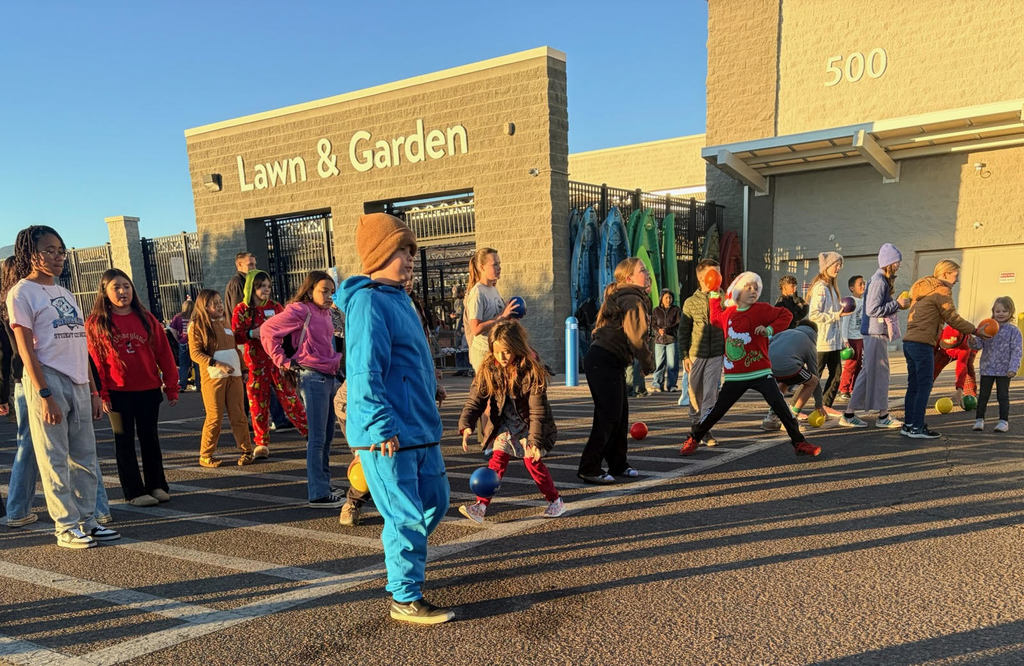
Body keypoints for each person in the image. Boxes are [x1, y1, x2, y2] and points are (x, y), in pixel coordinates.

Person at [338, 212, 452, 625]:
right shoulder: (367, 301)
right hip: (388, 435)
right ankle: (405, 597)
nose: (408, 258)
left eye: (410, 250)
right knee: (404, 517)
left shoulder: (401, 298)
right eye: (401, 250)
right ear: (379, 253)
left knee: (435, 502)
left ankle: (405, 559)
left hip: (421, 428)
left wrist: (431, 385)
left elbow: (408, 359)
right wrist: (380, 423)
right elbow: (365, 369)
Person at [6, 225, 120, 548]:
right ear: (31, 254)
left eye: (61, 251)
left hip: (79, 382)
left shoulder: (66, 293)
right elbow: (26, 349)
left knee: (85, 455)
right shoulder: (21, 293)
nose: (58, 257)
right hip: (48, 379)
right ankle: (65, 526)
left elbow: (80, 342)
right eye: (49, 251)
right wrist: (44, 394)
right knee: (53, 456)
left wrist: (94, 390)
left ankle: (88, 520)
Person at [679, 271, 820, 458]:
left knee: (781, 407)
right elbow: (715, 320)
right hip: (735, 375)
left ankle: (799, 443)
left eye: (756, 287)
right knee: (717, 411)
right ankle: (694, 438)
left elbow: (785, 315)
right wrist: (713, 295)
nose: (753, 291)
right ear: (737, 291)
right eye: (748, 287)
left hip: (761, 371)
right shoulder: (729, 313)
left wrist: (769, 329)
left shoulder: (762, 309)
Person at [86, 269, 179, 507]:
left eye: (126, 286)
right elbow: (95, 362)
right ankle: (133, 491)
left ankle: (156, 485)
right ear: (105, 292)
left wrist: (171, 385)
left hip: (148, 390)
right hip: (117, 394)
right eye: (116, 287)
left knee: (150, 438)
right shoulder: (96, 323)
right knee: (124, 441)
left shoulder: (146, 319)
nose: (122, 291)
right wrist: (101, 393)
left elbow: (164, 353)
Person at [458, 320, 564, 522]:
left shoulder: (531, 372)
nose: (502, 357)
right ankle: (480, 506)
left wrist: (535, 441)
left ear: (516, 347)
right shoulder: (489, 369)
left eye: (507, 351)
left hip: (528, 425)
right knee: (496, 461)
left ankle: (555, 500)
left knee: (533, 464)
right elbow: (475, 400)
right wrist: (466, 425)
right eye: (497, 351)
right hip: (505, 425)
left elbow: (537, 411)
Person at [261, 270, 344, 508]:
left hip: (328, 376)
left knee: (327, 436)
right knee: (317, 437)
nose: (329, 296)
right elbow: (268, 331)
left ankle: (323, 484)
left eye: (331, 291)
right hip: (312, 376)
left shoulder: (326, 312)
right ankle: (317, 492)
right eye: (324, 291)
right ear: (309, 291)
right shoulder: (301, 310)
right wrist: (283, 361)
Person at [577, 257, 654, 484]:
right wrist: (648, 363)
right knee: (608, 415)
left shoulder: (628, 296)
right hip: (604, 360)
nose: (647, 273)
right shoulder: (632, 300)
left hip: (610, 361)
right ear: (629, 278)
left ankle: (618, 464)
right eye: (642, 270)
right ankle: (589, 468)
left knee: (620, 416)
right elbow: (637, 338)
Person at [902, 259, 987, 439]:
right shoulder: (942, 290)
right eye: (955, 276)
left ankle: (908, 424)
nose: (957, 280)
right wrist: (975, 330)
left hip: (909, 341)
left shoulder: (920, 286)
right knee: (924, 386)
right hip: (923, 343)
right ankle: (917, 428)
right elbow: (952, 318)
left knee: (914, 386)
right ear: (945, 274)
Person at [231, 269, 308, 459]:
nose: (266, 290)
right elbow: (236, 335)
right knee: (258, 402)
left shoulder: (276, 307)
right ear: (252, 287)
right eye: (261, 286)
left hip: (277, 360)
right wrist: (251, 333)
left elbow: (289, 328)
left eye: (268, 286)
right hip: (255, 363)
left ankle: (310, 434)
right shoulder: (241, 310)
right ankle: (261, 443)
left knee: (290, 398)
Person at [839, 243, 910, 429]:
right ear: (889, 262)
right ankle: (882, 416)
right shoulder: (879, 280)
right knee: (880, 374)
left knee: (868, 373)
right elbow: (872, 309)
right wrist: (897, 304)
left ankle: (849, 413)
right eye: (897, 262)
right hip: (875, 333)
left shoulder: (878, 279)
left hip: (873, 333)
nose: (899, 265)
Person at [188, 289, 254, 467]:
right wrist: (216, 363)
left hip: (235, 375)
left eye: (219, 302)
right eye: (214, 303)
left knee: (239, 414)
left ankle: (247, 450)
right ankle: (206, 454)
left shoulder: (225, 323)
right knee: (214, 417)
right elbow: (195, 353)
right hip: (214, 377)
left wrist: (244, 368)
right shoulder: (197, 326)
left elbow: (234, 349)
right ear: (204, 306)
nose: (219, 306)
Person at [1, 256, 39, 527]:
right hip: (29, 377)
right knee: (32, 443)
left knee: (28, 443)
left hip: (18, 380)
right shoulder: (21, 302)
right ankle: (16, 508)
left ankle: (17, 508)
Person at [678, 259, 725, 447]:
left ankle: (705, 430)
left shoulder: (725, 298)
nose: (718, 277)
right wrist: (684, 355)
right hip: (696, 354)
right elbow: (684, 331)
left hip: (716, 354)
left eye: (719, 273)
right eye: (714, 273)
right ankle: (695, 424)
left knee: (710, 392)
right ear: (702, 277)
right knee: (694, 392)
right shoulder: (690, 302)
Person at [808, 252, 852, 414]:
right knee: (813, 377)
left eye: (840, 264)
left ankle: (825, 405)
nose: (839, 268)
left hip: (833, 341)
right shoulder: (821, 288)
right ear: (826, 266)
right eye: (836, 264)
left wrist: (841, 338)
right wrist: (836, 315)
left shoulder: (831, 288)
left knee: (836, 374)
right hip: (822, 341)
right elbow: (814, 315)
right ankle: (794, 407)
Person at [971, 297, 1022, 433]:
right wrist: (971, 340)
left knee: (1003, 395)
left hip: (1005, 370)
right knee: (983, 395)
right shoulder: (987, 327)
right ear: (993, 311)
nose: (1000, 313)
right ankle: (979, 420)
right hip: (987, 368)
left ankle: (1003, 421)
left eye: (1004, 311)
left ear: (1011, 312)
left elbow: (1016, 351)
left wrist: (1013, 368)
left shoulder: (1014, 331)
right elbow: (978, 344)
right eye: (997, 310)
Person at [464, 247, 518, 373]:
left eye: (499, 264)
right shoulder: (477, 292)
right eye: (495, 265)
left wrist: (510, 314)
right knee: (487, 391)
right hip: (484, 353)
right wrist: (502, 317)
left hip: (496, 350)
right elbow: (475, 329)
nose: (499, 268)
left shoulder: (493, 289)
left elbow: (498, 317)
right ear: (482, 267)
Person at [762, 319, 823, 430]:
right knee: (812, 381)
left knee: (784, 381)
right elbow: (815, 374)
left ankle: (771, 418)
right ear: (815, 333)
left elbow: (767, 345)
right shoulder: (809, 343)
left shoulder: (784, 333)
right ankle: (791, 420)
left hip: (767, 366)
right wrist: (819, 405)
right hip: (789, 366)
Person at [933, 324, 978, 407]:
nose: (949, 348)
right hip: (944, 353)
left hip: (967, 350)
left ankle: (971, 395)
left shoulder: (966, 345)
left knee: (968, 368)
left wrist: (959, 389)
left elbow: (961, 366)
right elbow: (933, 353)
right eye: (947, 345)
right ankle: (922, 390)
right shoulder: (939, 335)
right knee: (934, 367)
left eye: (951, 347)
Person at [837, 274, 865, 400]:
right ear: (852, 287)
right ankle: (844, 389)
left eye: (864, 283)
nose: (863, 286)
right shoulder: (849, 301)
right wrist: (845, 340)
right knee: (850, 364)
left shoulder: (864, 301)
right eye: (860, 284)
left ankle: (854, 388)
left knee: (859, 365)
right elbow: (845, 322)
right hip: (852, 338)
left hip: (861, 337)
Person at [652, 289, 681, 392]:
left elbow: (678, 323)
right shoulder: (656, 310)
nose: (668, 300)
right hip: (659, 341)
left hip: (671, 339)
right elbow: (653, 324)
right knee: (659, 364)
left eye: (670, 298)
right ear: (661, 299)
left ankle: (672, 385)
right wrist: (658, 331)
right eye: (666, 298)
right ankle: (657, 384)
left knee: (672, 364)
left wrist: (667, 329)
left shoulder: (676, 310)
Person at [169, 298, 198, 391]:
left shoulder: (178, 317)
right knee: (197, 365)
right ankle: (199, 385)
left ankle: (182, 385)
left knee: (183, 365)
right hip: (195, 342)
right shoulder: (196, 317)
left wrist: (178, 339)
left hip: (183, 342)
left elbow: (172, 329)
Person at [224, 251, 256, 316]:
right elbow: (238, 311)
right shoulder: (237, 282)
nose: (254, 268)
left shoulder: (247, 281)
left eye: (255, 264)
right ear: (240, 264)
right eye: (250, 264)